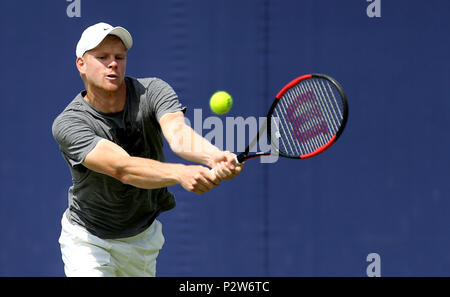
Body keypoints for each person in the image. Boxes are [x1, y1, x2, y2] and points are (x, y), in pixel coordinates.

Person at [52, 22, 242, 277]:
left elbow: (178, 134)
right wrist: (180, 174)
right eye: (102, 57)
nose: (113, 64)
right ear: (81, 64)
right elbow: (123, 168)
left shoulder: (152, 91)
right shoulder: (69, 124)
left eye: (119, 57)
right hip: (88, 240)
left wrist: (213, 156)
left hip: (142, 240)